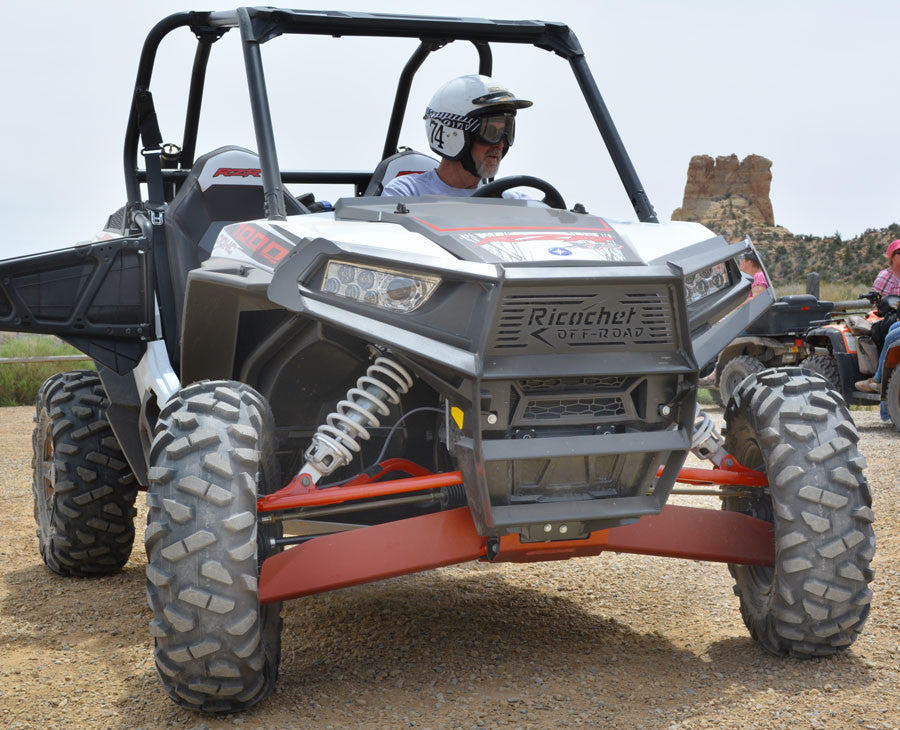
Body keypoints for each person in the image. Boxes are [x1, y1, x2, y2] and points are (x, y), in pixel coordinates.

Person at [382, 74, 532, 198]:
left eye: (507, 131)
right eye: (491, 132)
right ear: (452, 134)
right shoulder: (407, 193)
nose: (501, 144)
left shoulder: (513, 201)